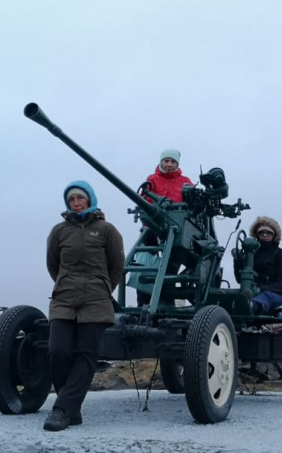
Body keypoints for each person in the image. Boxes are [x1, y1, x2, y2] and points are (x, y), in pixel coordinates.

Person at [43, 180, 125, 432]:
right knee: (57, 351)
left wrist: (102, 287)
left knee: (86, 355)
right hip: (64, 297)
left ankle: (63, 409)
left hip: (96, 298)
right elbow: (53, 264)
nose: (76, 203)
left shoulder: (106, 230)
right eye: (71, 200)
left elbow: (116, 265)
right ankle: (72, 407)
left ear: (90, 200)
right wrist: (66, 282)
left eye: (80, 198)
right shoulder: (59, 231)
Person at [135, 149, 194, 307]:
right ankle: (144, 303)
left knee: (170, 268)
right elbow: (144, 200)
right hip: (152, 228)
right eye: (166, 161)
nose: (169, 164)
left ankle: (166, 302)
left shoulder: (185, 181)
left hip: (176, 231)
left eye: (172, 162)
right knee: (144, 266)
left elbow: (193, 204)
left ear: (177, 164)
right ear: (161, 162)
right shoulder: (152, 179)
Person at [234, 216, 282, 315]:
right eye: (261, 232)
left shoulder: (280, 254)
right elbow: (240, 279)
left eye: (268, 232)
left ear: (274, 235)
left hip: (274, 295)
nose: (265, 235)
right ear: (257, 235)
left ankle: (252, 306)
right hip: (251, 292)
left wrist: (261, 289)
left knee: (265, 298)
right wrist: (237, 260)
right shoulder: (250, 254)